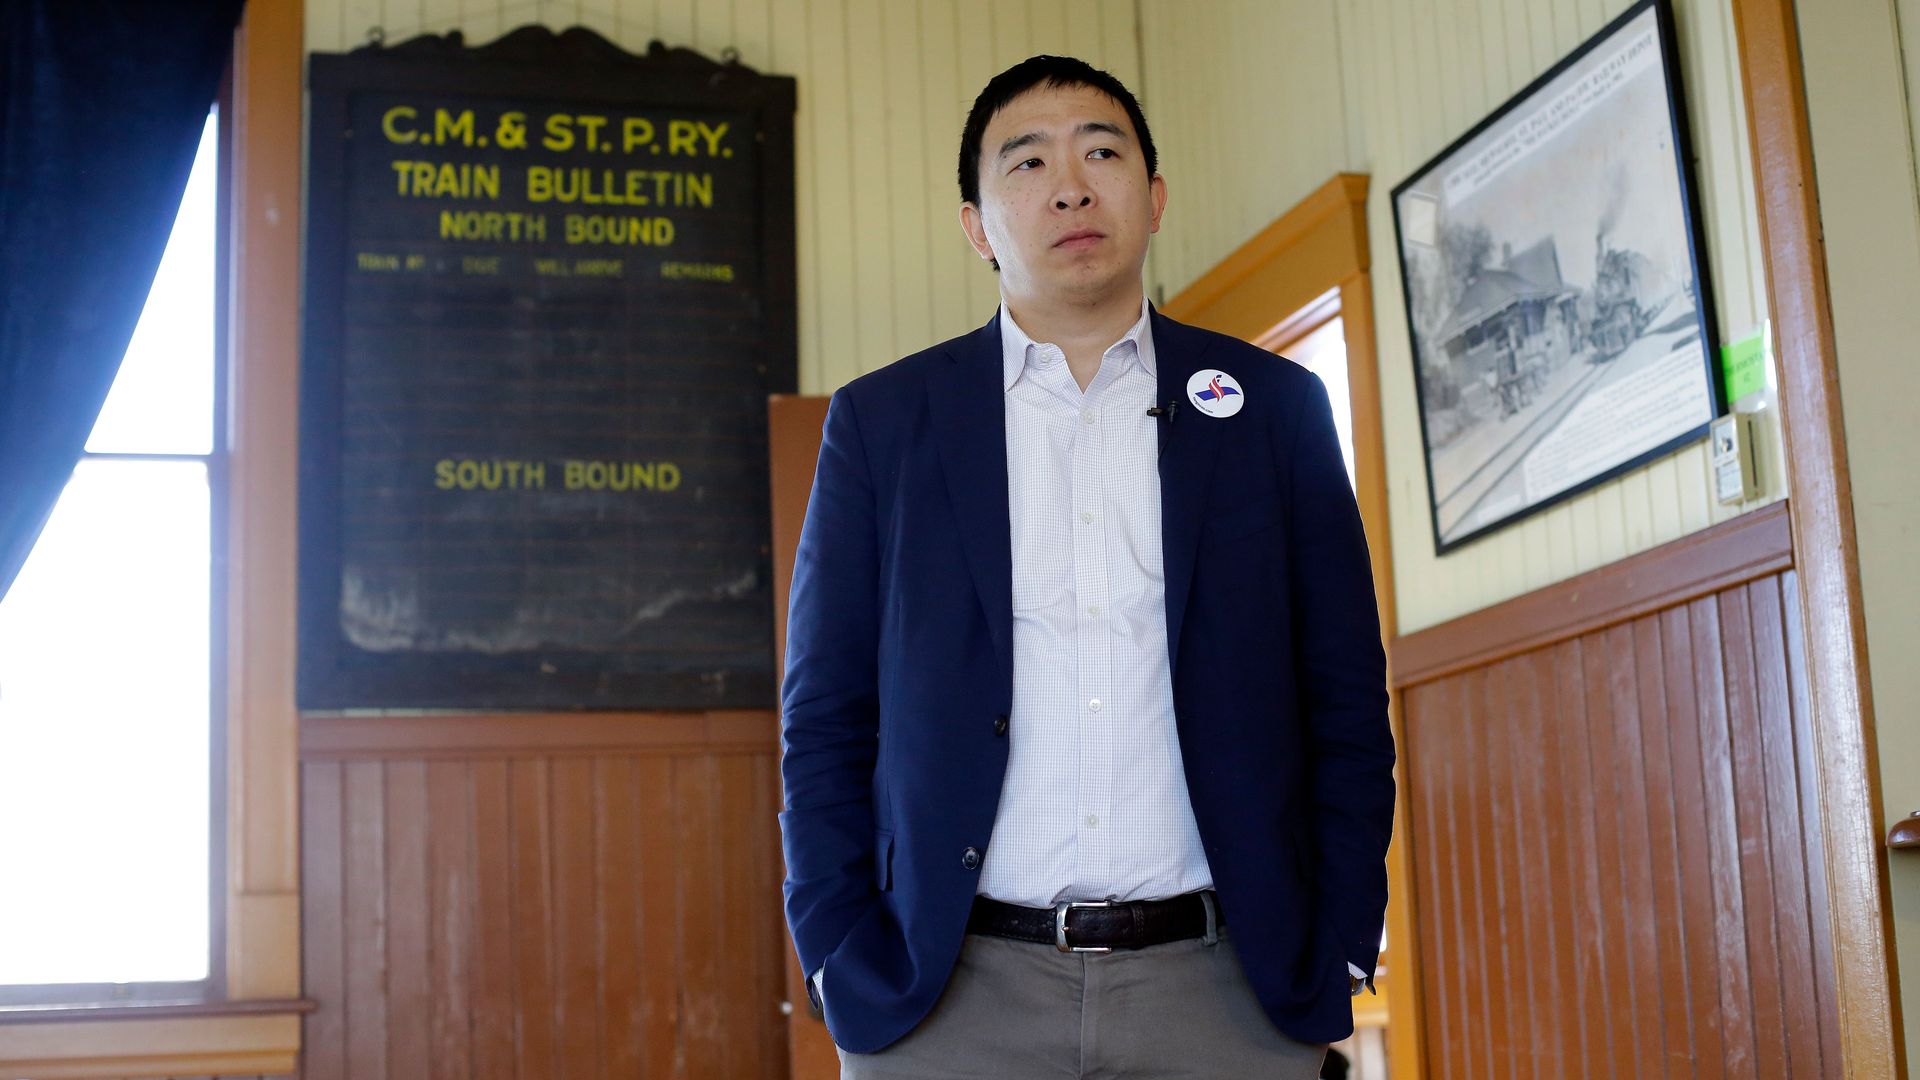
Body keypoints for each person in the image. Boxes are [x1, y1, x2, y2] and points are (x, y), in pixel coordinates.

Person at [779, 54, 1394, 1079]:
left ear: (1154, 198)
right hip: (949, 1000)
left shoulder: (1273, 411)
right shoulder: (883, 425)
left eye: (1101, 153)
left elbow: (1344, 700)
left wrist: (1339, 939)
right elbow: (826, 716)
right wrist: (838, 950)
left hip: (1226, 993)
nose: (1070, 186)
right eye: (1028, 163)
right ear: (977, 225)